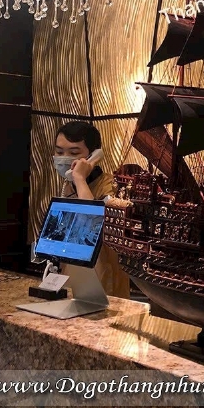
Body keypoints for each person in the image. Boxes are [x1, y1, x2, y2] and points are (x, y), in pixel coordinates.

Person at [53, 121, 130, 299]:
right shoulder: (69, 186)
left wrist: (80, 179)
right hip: (72, 278)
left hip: (103, 282)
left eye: (74, 153)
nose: (64, 158)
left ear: (94, 155)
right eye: (59, 152)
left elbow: (89, 224)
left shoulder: (112, 186)